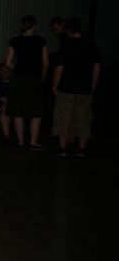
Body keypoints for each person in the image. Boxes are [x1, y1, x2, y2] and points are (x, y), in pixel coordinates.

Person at [51, 17, 100, 158]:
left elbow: (59, 69)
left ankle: (63, 148)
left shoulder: (66, 47)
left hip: (66, 88)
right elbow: (96, 68)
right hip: (84, 88)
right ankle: (82, 149)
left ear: (68, 31)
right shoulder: (92, 46)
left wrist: (54, 86)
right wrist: (93, 86)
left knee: (63, 117)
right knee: (83, 118)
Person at [5, 15, 49, 149]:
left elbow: (7, 62)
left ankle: (20, 141)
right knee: (36, 111)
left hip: (18, 78)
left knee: (18, 110)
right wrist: (42, 78)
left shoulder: (15, 41)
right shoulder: (41, 41)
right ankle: (33, 142)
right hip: (34, 78)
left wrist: (17, 68)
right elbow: (46, 63)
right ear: (34, 25)